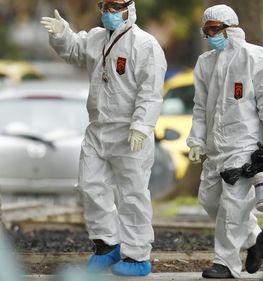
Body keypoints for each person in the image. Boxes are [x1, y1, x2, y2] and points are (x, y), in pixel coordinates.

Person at [40, 0, 167, 276]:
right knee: (89, 186)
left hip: (129, 131)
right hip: (98, 128)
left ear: (129, 8)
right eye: (104, 6)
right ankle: (107, 243)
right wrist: (62, 33)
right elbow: (74, 51)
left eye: (115, 6)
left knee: (131, 195)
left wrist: (142, 126)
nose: (108, 12)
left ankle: (137, 255)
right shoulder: (97, 38)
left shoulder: (144, 45)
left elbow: (151, 90)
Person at [186, 4, 263, 279]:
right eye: (208, 30)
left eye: (216, 28)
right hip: (216, 147)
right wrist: (196, 141)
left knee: (233, 206)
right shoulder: (205, 63)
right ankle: (255, 239)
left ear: (231, 28)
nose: (212, 35)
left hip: (245, 145)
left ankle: (226, 263)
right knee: (209, 200)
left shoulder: (256, 57)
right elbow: (200, 106)